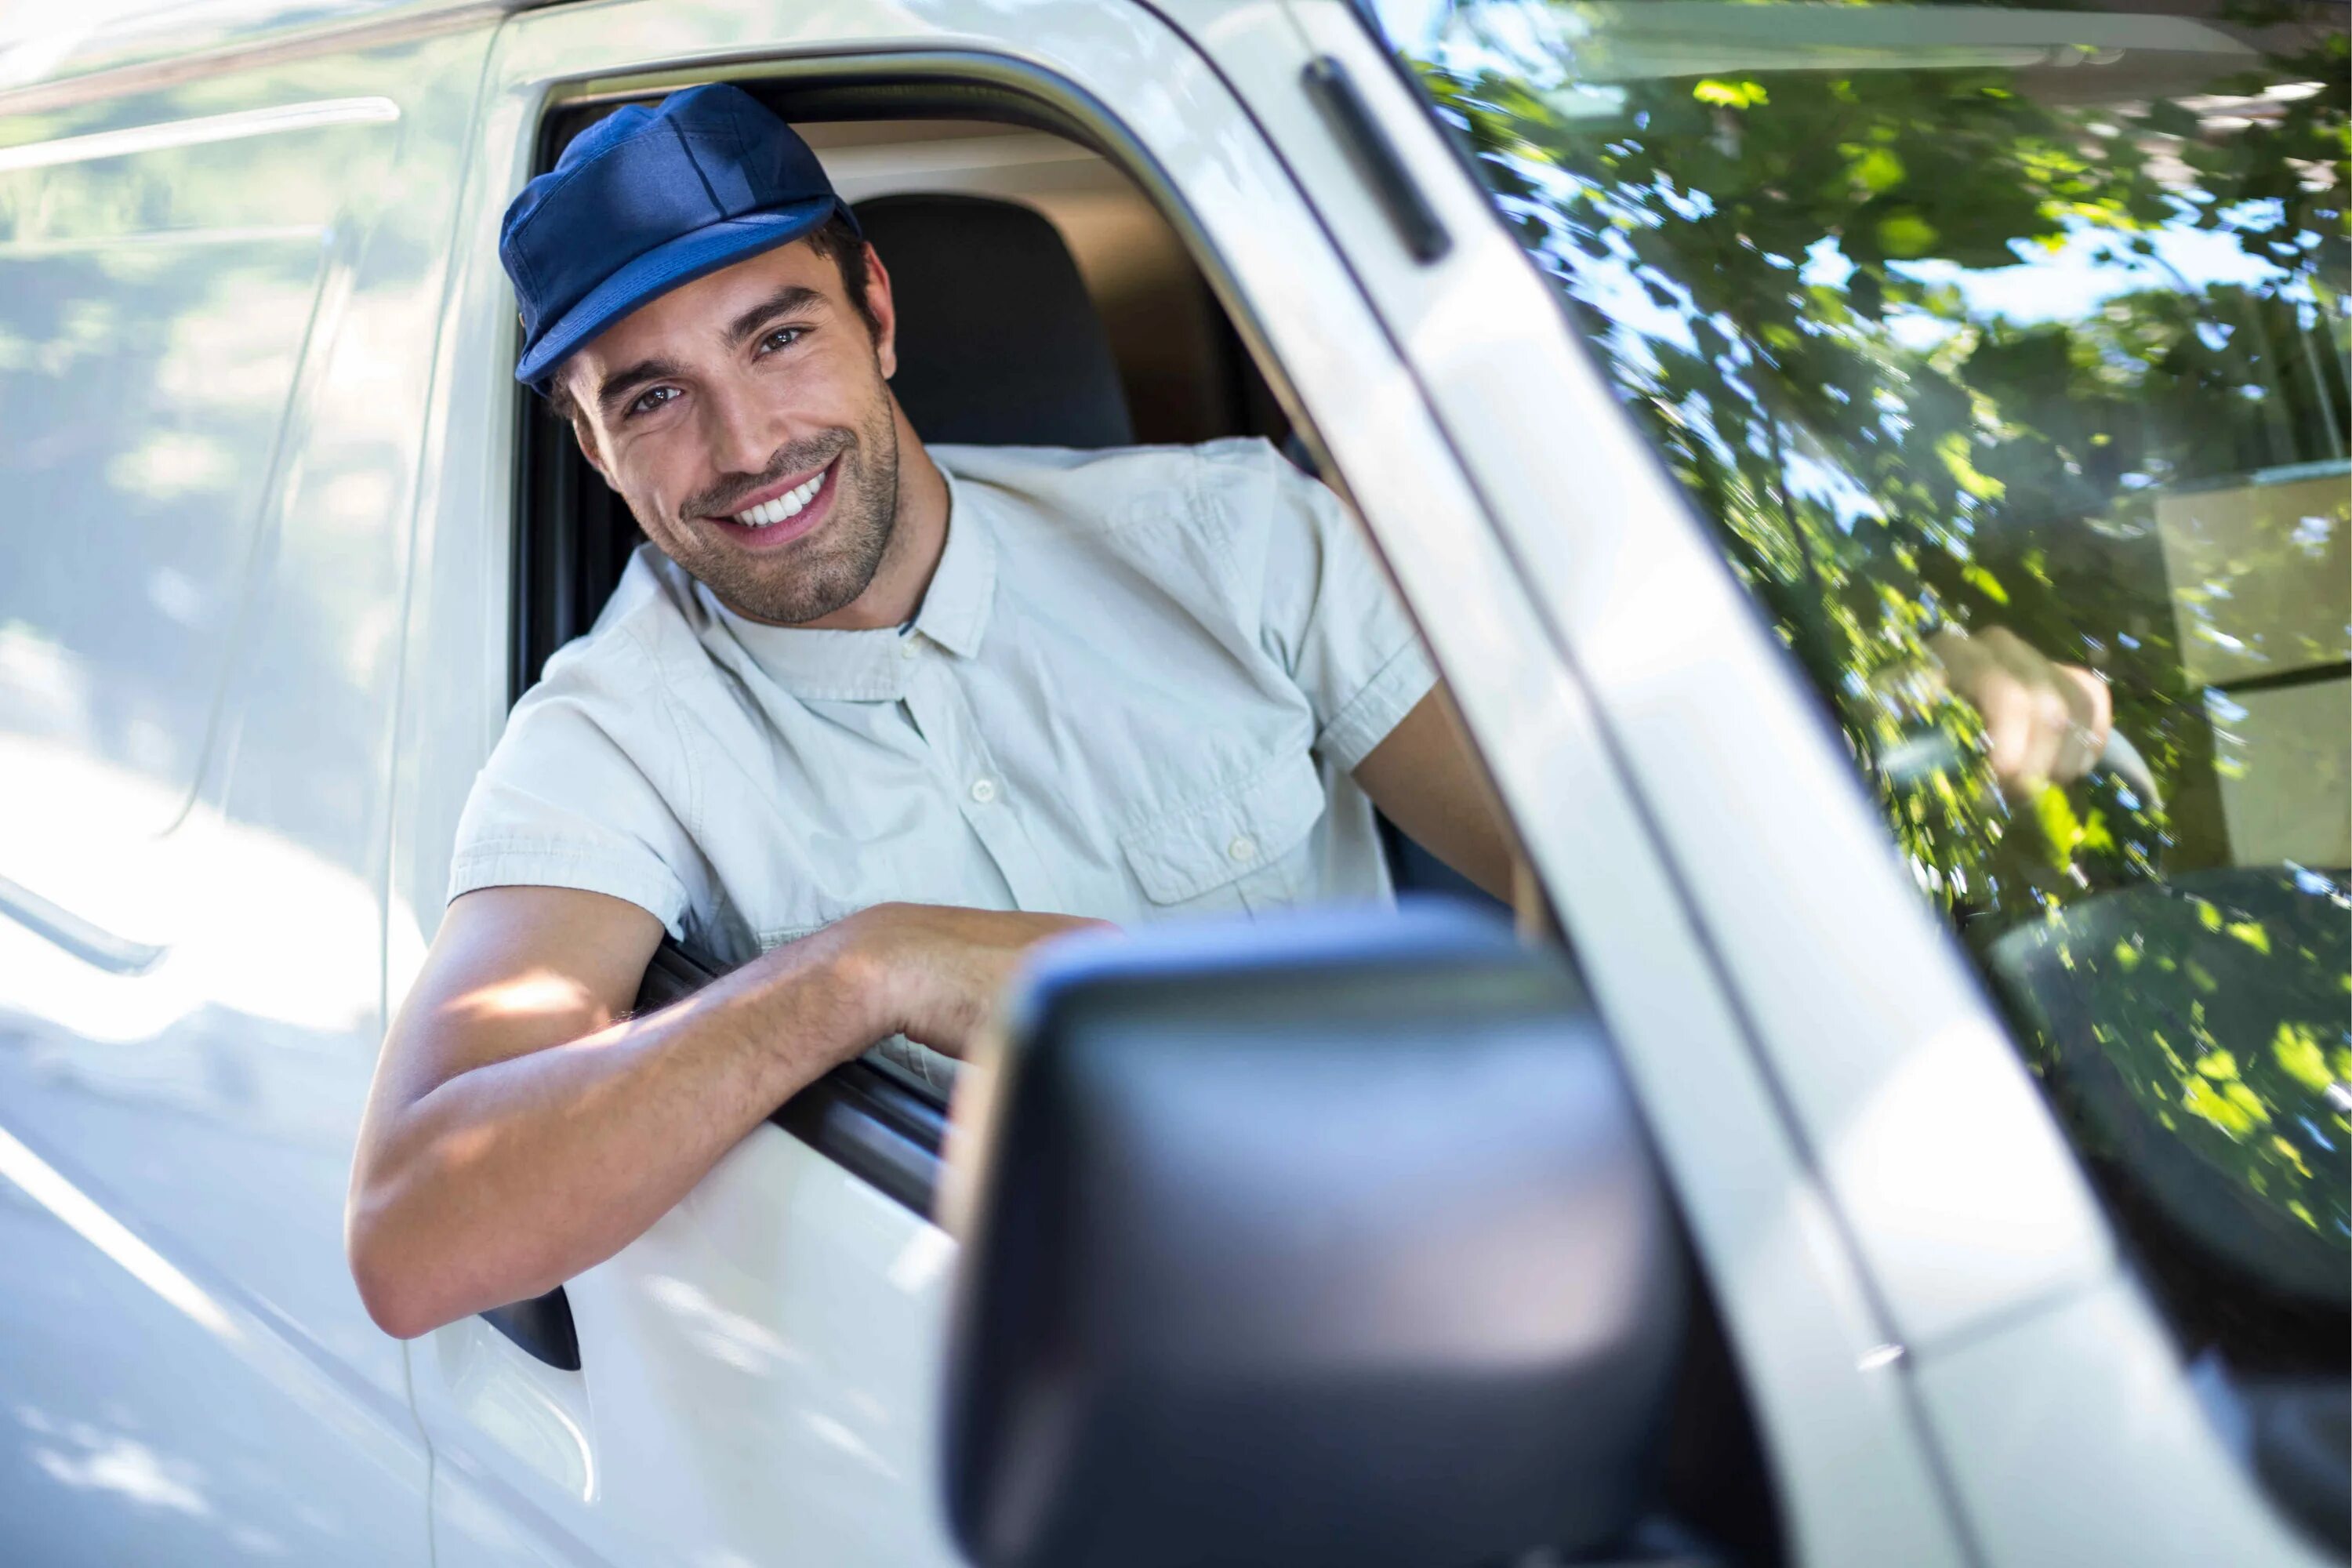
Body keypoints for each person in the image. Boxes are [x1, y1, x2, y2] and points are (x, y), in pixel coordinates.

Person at [345, 85, 2108, 1339]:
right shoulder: (610, 736)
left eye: (779, 336)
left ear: (877, 312)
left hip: (1458, 1282)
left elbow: (1601, 863)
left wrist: (1872, 721)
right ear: (590, 445)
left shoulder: (1231, 541)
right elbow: (418, 1236)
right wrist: (866, 967)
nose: (743, 448)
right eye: (651, 396)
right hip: (1045, 1409)